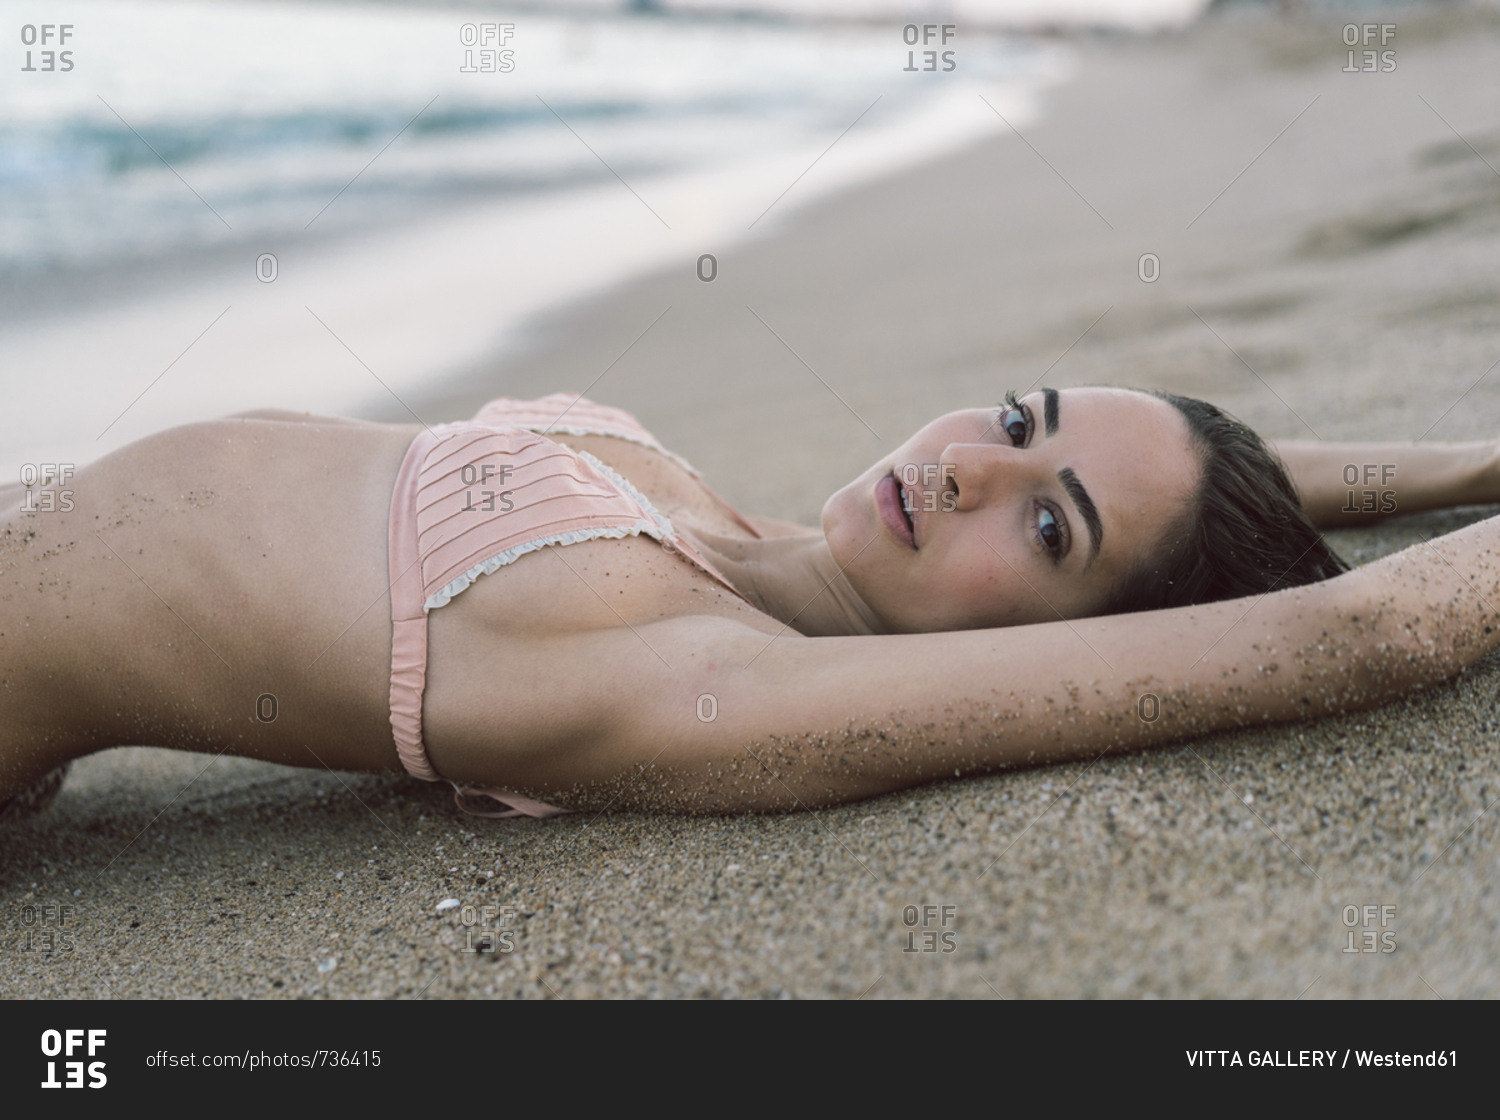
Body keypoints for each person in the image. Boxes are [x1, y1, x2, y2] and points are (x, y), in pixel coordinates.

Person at [3, 386, 1500, 821]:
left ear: (1076, 638)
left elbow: (1356, 634)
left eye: (1049, 525)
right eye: (1017, 414)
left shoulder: (708, 683)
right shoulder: (740, 530)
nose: (975, 468)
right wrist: (1475, 458)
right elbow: (1208, 478)